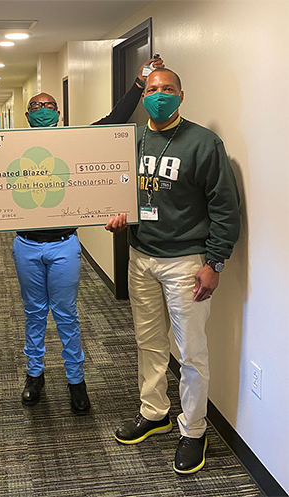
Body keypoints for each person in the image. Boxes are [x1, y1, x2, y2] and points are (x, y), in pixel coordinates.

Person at [0, 57, 163, 415]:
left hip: (64, 246)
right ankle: (34, 375)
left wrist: (139, 83)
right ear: (26, 115)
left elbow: (113, 122)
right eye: (36, 106)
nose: (43, 109)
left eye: (49, 105)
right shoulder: (9, 143)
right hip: (26, 245)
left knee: (67, 315)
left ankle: (76, 381)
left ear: (59, 113)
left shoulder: (72, 142)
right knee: (34, 313)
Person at [105, 67, 240, 474]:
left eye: (167, 89)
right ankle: (154, 412)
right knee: (148, 340)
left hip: (186, 262)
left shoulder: (203, 142)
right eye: (152, 89)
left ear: (181, 95)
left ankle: (194, 430)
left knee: (191, 351)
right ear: (142, 95)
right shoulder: (130, 140)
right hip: (140, 255)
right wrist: (116, 215)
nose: (158, 95)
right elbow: (117, 188)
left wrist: (214, 262)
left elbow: (225, 208)